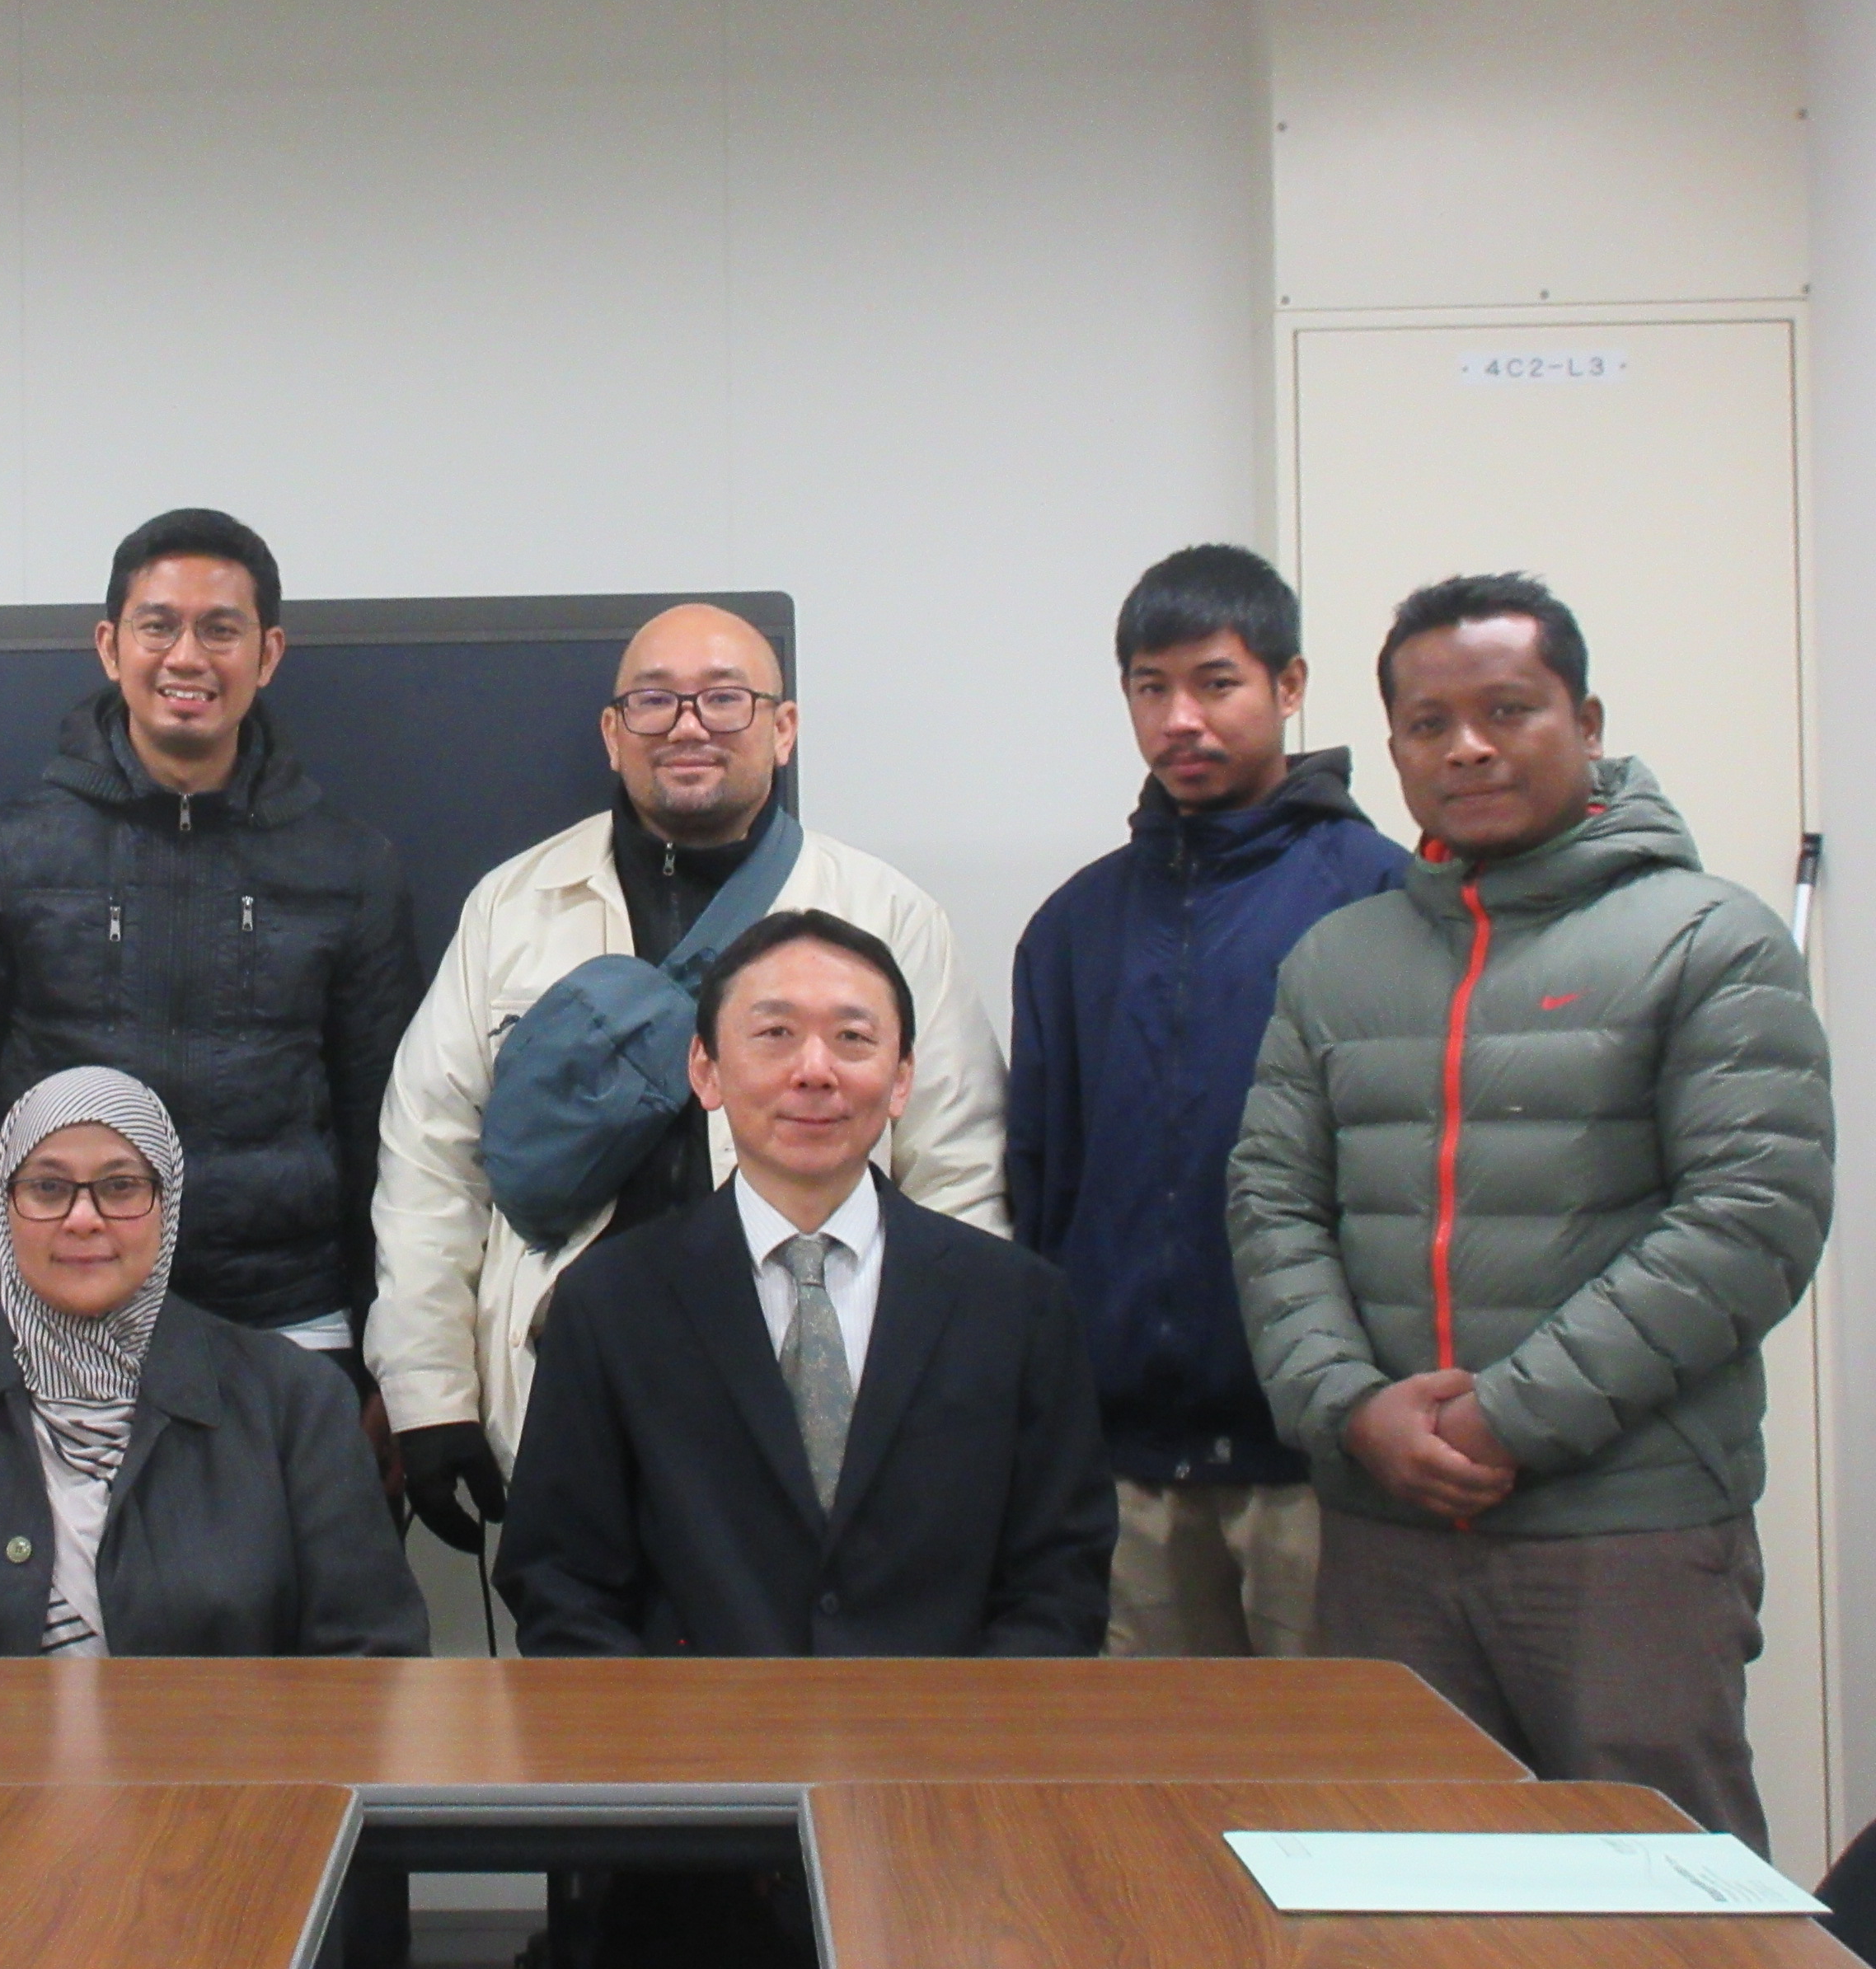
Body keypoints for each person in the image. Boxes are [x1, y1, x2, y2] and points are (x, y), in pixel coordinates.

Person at [1229, 573, 1831, 1851]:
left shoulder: (1707, 940)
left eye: (1508, 710)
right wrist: (1350, 1407)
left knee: (1661, 1895)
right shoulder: (1337, 960)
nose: (1468, 748)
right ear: (1394, 748)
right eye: (1429, 724)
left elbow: (1751, 1218)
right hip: (1385, 1528)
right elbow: (1273, 1206)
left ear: (1587, 721)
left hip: (1626, 1530)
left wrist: (1507, 1415)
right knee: (1398, 1885)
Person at [366, 602, 1011, 1555]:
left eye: (725, 699)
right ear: (612, 732)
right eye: (655, 701)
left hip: (813, 1389)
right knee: (579, 1640)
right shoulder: (515, 906)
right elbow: (430, 1160)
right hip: (569, 1389)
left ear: (784, 729)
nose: (689, 725)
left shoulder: (884, 914)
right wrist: (429, 1396)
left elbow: (957, 1170)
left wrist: (951, 1395)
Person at [496, 910, 1112, 1659]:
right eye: (775, 1034)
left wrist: (959, 1723)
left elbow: (1059, 1580)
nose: (815, 1070)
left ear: (902, 1079)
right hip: (696, 1729)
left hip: (948, 1724)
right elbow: (561, 1582)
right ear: (705, 1070)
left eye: (853, 1038)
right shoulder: (610, 1303)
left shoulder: (1016, 1303)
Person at [0, 509, 422, 1399]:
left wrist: (391, 1356)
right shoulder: (0, 852)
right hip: (58, 1313)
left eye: (221, 630)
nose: (188, 657)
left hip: (286, 1319)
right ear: (110, 646)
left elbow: (384, 1125)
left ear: (267, 654)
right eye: (159, 626)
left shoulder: (351, 865)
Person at [1009, 545, 1405, 1658]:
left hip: (1326, 1464)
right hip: (1125, 1472)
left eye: (1216, 683)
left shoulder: (1384, 897)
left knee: (1333, 1763)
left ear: (1290, 685)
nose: (1180, 718)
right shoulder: (1073, 927)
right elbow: (1041, 1188)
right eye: (1152, 688)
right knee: (1148, 1761)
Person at [0, 1067, 429, 1657]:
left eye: (121, 1186)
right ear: (3, 1206)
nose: (83, 1218)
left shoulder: (295, 1404)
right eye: (48, 1188)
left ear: (168, 1204)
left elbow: (372, 1663)